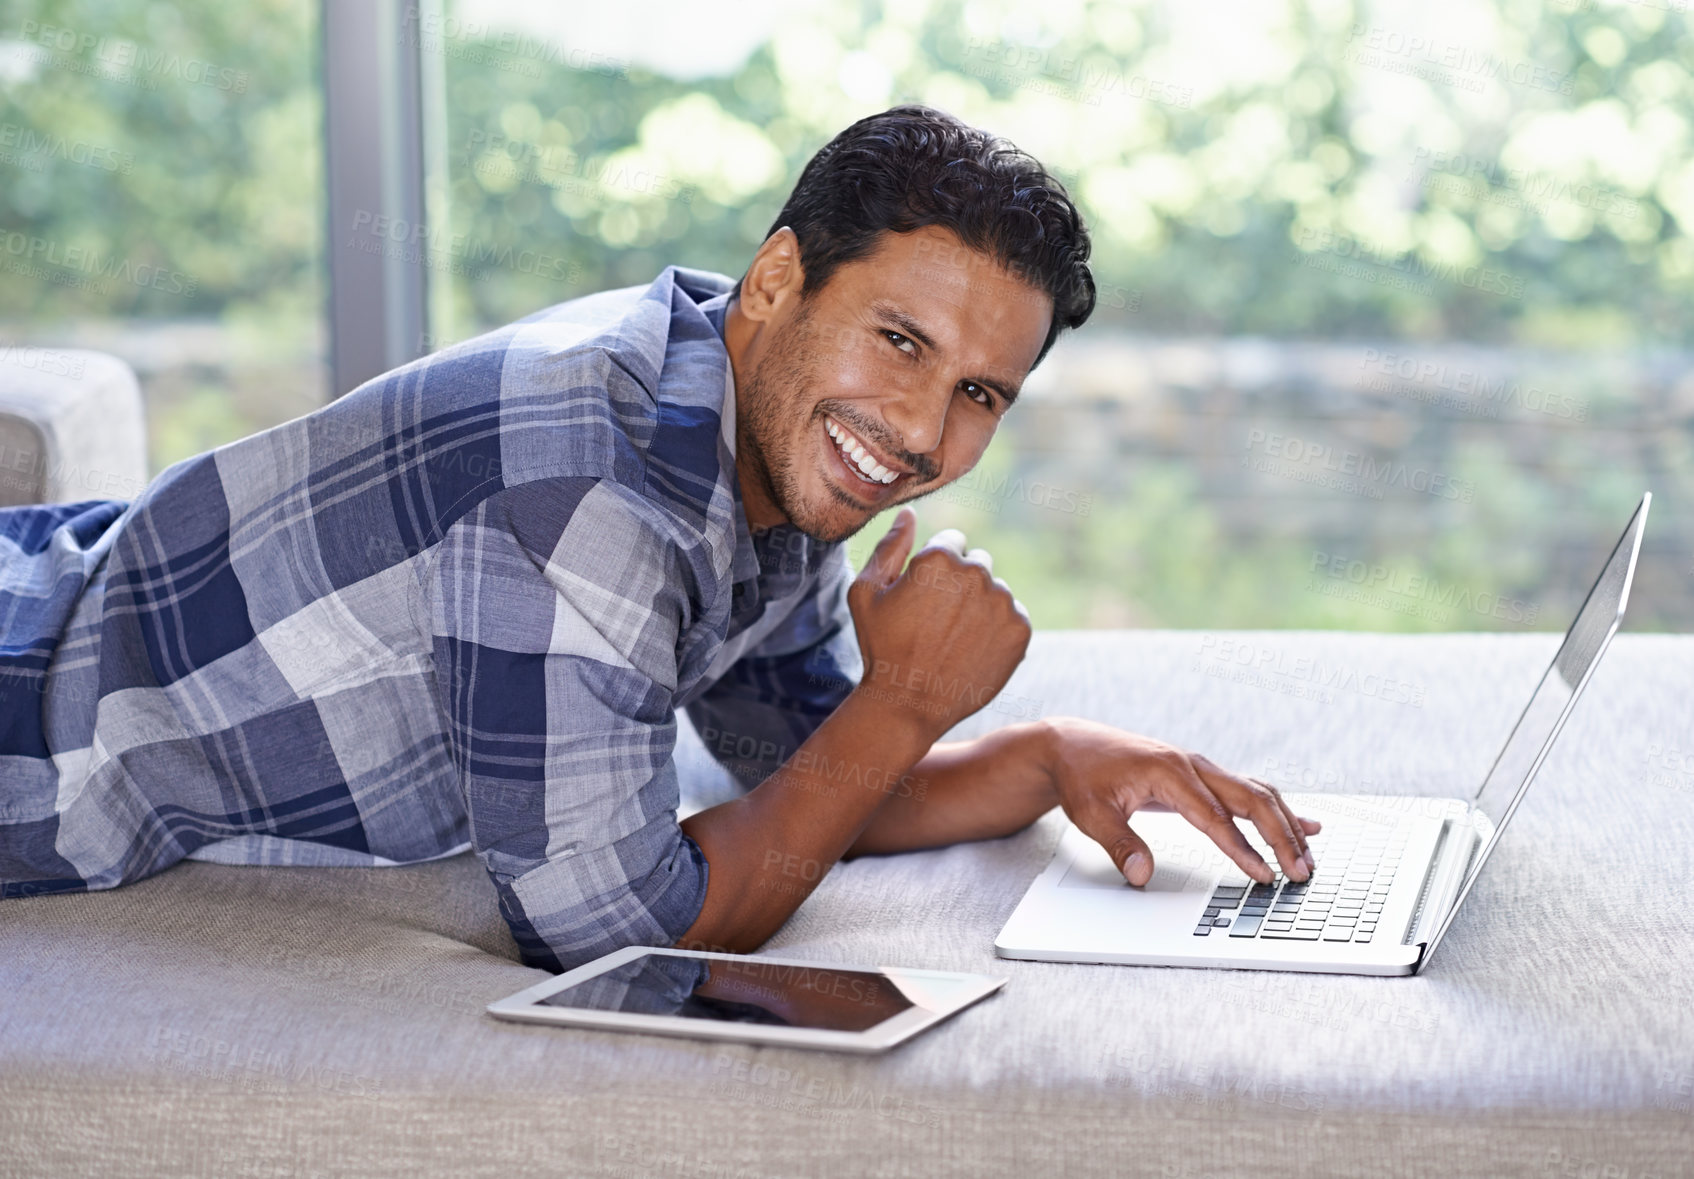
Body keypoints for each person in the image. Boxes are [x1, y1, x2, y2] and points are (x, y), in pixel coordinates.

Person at [0, 104, 1317, 971]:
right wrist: (909, 698)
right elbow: (618, 931)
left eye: (978, 393)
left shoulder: (764, 430)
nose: (922, 431)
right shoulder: (585, 496)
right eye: (899, 342)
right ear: (777, 278)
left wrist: (1047, 755)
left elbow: (800, 776)